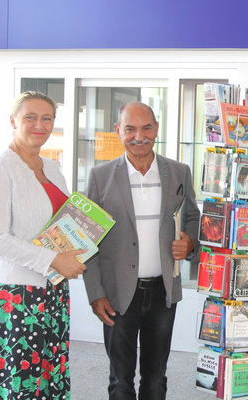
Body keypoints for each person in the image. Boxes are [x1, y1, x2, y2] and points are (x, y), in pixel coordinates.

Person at [0, 91, 86, 398]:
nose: (40, 125)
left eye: (47, 118)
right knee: (17, 380)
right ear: (13, 121)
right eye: (30, 117)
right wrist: (53, 259)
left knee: (47, 375)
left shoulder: (53, 168)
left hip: (51, 290)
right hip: (11, 296)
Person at [83, 101, 200, 399]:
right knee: (120, 380)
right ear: (117, 131)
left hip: (163, 292)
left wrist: (190, 243)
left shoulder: (178, 172)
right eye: (130, 129)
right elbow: (88, 240)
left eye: (146, 128)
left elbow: (192, 216)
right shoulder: (100, 176)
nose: (139, 136)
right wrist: (96, 293)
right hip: (118, 294)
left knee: (156, 377)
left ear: (156, 129)